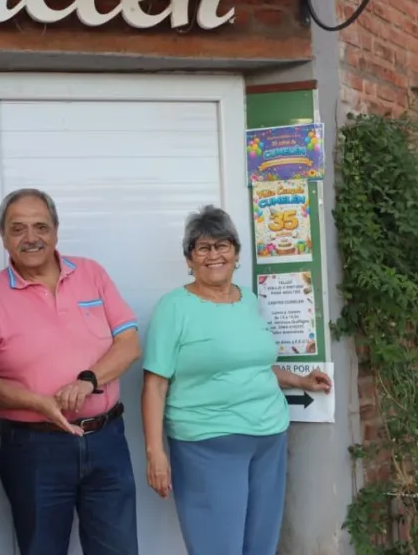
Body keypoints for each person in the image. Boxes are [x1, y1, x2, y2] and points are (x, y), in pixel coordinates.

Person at [141, 204, 332, 555]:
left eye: (222, 245)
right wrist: (155, 452)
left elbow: (253, 366)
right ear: (189, 258)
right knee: (219, 547)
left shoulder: (249, 301)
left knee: (260, 545)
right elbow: (155, 384)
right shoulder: (174, 307)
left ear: (236, 252)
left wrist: (301, 381)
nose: (214, 255)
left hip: (268, 438)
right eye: (203, 248)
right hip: (207, 445)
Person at [0, 188, 142, 555]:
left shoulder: (91, 273)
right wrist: (38, 402)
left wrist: (88, 379)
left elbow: (129, 344)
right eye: (18, 229)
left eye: (41, 226)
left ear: (56, 230)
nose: (31, 238)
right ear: (2, 236)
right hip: (34, 448)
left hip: (106, 440)